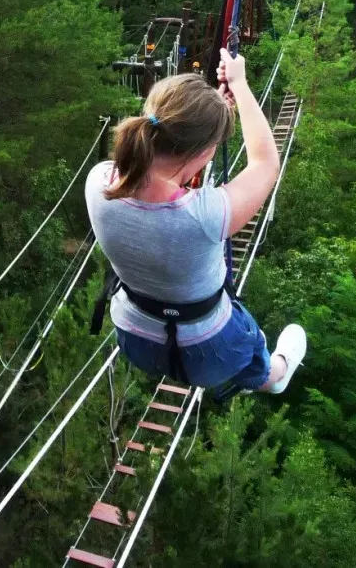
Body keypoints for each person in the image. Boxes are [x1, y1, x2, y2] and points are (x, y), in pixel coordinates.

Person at [85, 49, 307, 396]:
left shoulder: (99, 183)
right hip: (210, 352)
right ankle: (274, 374)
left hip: (134, 336)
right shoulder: (206, 216)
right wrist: (241, 85)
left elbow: (159, 183)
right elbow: (265, 163)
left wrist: (210, 116)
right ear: (204, 153)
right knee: (258, 360)